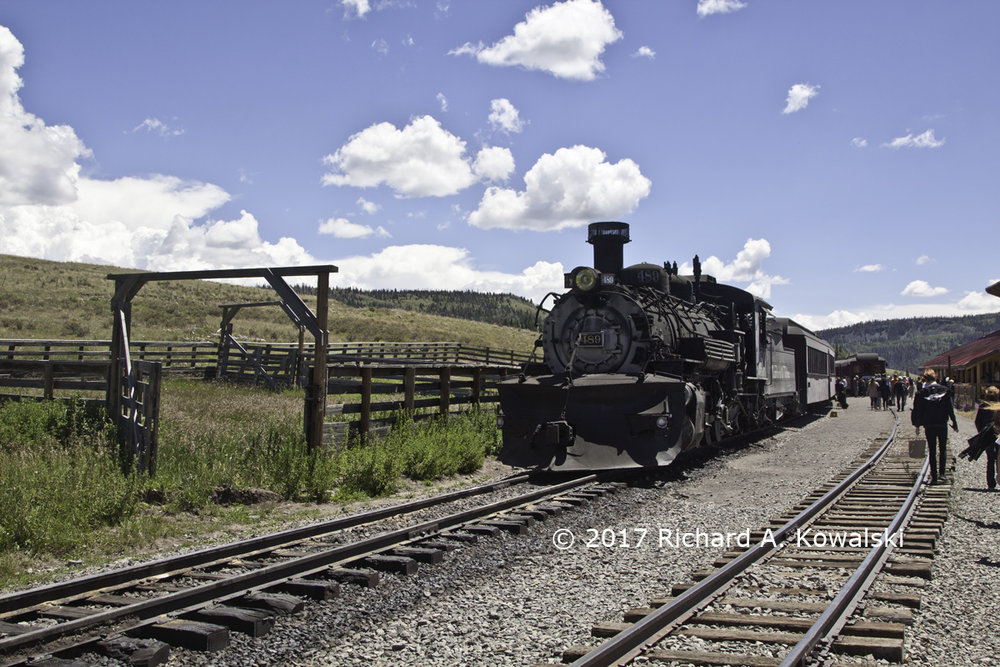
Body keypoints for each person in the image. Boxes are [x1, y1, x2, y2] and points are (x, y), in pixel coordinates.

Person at [912, 369, 959, 484]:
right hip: (942, 423)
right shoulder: (945, 390)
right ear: (935, 378)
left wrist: (917, 424)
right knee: (942, 449)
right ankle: (942, 474)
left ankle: (934, 476)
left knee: (932, 450)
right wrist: (954, 422)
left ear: (924, 379)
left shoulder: (921, 393)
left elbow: (917, 410)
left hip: (929, 425)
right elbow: (950, 408)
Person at [973, 386, 1000, 490]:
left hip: (987, 435)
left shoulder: (983, 406)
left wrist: (981, 433)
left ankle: (991, 483)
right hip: (998, 435)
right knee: (998, 458)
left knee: (990, 459)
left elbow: (977, 422)